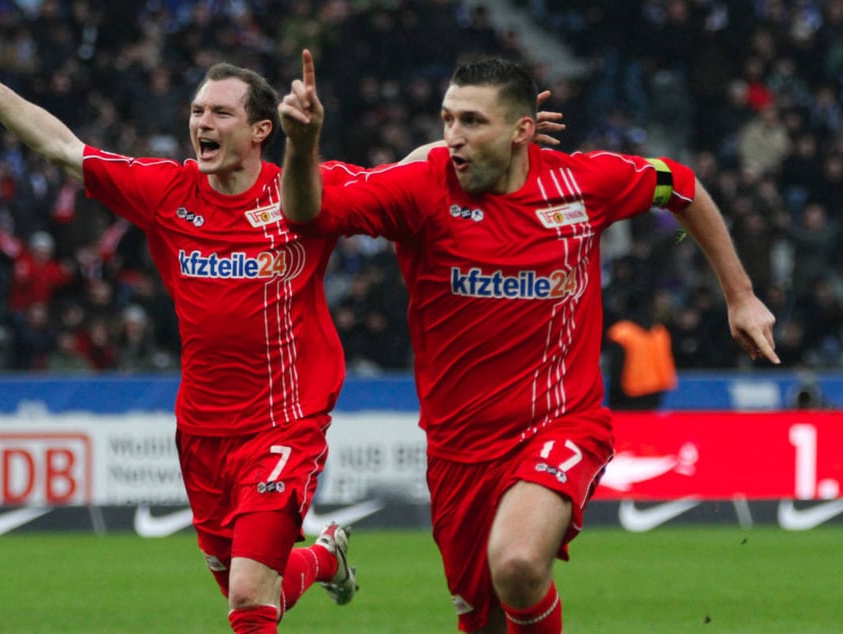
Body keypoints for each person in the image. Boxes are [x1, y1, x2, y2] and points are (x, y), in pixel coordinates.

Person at [278, 52, 780, 633]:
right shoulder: (421, 188)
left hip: (561, 425)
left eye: (472, 121)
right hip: (458, 452)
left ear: (521, 129)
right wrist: (302, 144)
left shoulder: (580, 183)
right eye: (447, 120)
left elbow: (680, 185)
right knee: (484, 618)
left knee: (517, 562)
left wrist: (740, 296)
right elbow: (308, 213)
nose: (453, 138)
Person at [0, 15, 357, 634]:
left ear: (262, 130)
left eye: (220, 113)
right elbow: (62, 148)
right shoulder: (167, 191)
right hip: (201, 432)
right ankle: (324, 558)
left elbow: (410, 174)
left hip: (283, 426)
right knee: (250, 587)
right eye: (197, 110)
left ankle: (309, 561)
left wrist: (491, 149)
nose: (201, 122)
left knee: (249, 602)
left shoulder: (301, 195)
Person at [604, 292, 677, 410]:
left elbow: (616, 367)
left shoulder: (621, 332)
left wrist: (613, 398)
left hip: (627, 394)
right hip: (655, 391)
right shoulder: (659, 331)